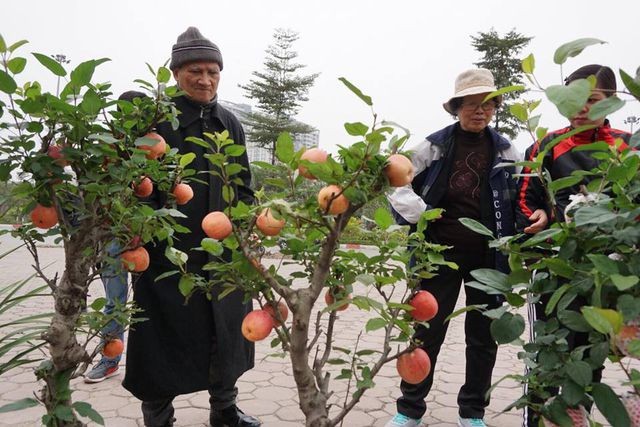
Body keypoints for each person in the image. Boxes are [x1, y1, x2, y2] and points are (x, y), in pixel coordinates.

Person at [122, 27, 260, 427]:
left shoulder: (229, 123)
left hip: (222, 257)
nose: (205, 79)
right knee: (160, 340)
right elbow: (135, 182)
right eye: (195, 71)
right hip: (167, 256)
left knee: (226, 336)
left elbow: (243, 186)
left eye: (213, 71)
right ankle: (158, 418)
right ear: (176, 73)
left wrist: (244, 231)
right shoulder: (157, 120)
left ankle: (225, 411)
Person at [386, 68, 520, 427]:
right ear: (457, 107)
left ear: (496, 108)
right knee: (426, 331)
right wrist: (418, 213)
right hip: (437, 254)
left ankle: (473, 412)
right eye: (472, 104)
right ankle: (408, 409)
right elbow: (397, 179)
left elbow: (521, 197)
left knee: (482, 337)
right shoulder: (434, 145)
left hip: (487, 257)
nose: (480, 111)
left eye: (488, 105)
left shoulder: (507, 149)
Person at [516, 64, 632, 427]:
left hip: (607, 272)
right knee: (549, 353)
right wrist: (541, 215)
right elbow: (525, 196)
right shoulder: (545, 145)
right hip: (556, 269)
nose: (581, 107)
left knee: (590, 358)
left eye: (591, 99)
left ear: (610, 101)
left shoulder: (628, 145)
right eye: (573, 98)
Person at [84, 240, 129, 383]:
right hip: (112, 238)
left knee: (149, 301)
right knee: (114, 304)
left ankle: (153, 359)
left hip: (148, 234)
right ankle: (109, 360)